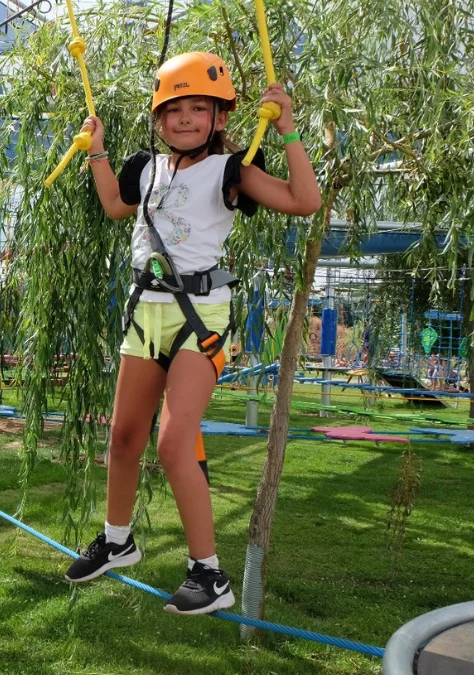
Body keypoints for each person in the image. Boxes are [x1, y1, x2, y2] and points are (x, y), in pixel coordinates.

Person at [63, 52, 322, 617]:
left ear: (220, 117)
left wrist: (288, 130)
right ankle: (117, 539)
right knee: (124, 438)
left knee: (174, 442)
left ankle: (209, 573)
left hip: (199, 318)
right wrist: (99, 150)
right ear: (158, 120)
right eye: (173, 110)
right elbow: (113, 206)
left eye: (198, 109)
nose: (184, 119)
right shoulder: (146, 167)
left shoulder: (232, 170)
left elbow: (305, 201)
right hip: (144, 313)